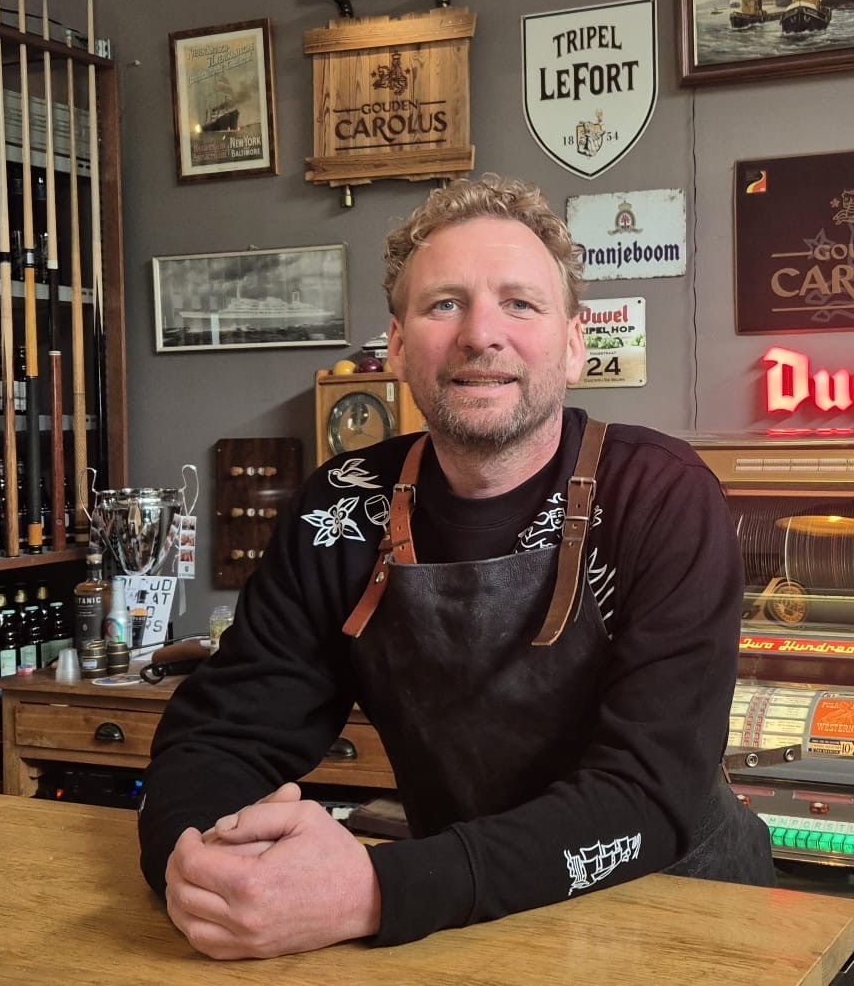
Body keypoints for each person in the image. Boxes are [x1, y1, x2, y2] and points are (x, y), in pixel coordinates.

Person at [138, 174, 772, 959]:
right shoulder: (339, 507)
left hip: (684, 916)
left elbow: (647, 790)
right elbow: (225, 737)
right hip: (467, 929)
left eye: (521, 303)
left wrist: (379, 892)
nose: (481, 334)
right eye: (444, 304)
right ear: (399, 345)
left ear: (575, 343)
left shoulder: (660, 494)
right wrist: (191, 859)